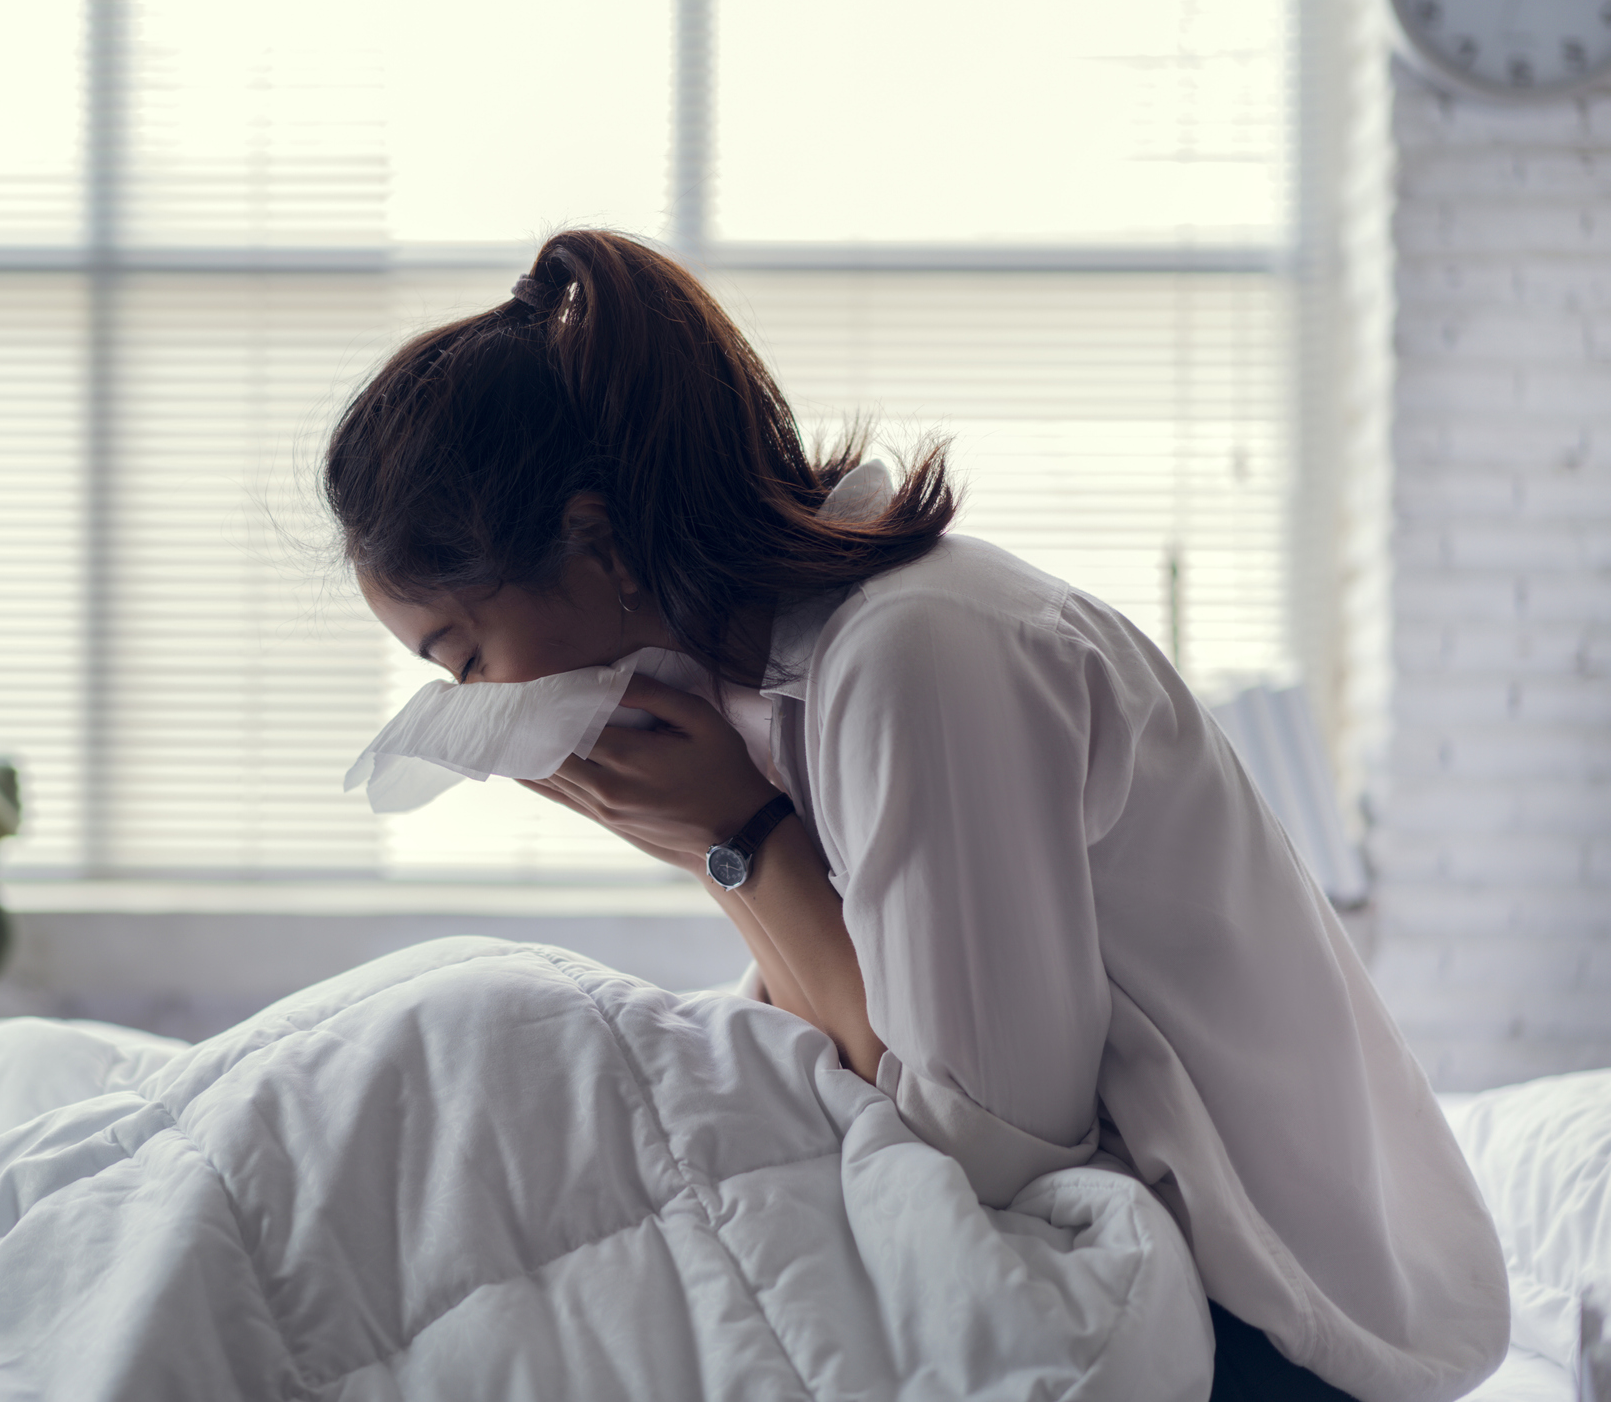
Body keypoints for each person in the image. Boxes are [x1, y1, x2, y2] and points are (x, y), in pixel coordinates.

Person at [323, 228, 1509, 1402]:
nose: (478, 706)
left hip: (1273, 1312)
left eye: (463, 655)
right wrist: (719, 841)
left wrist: (734, 839)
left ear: (591, 544)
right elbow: (847, 1049)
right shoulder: (771, 692)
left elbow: (985, 1145)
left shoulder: (915, 651)